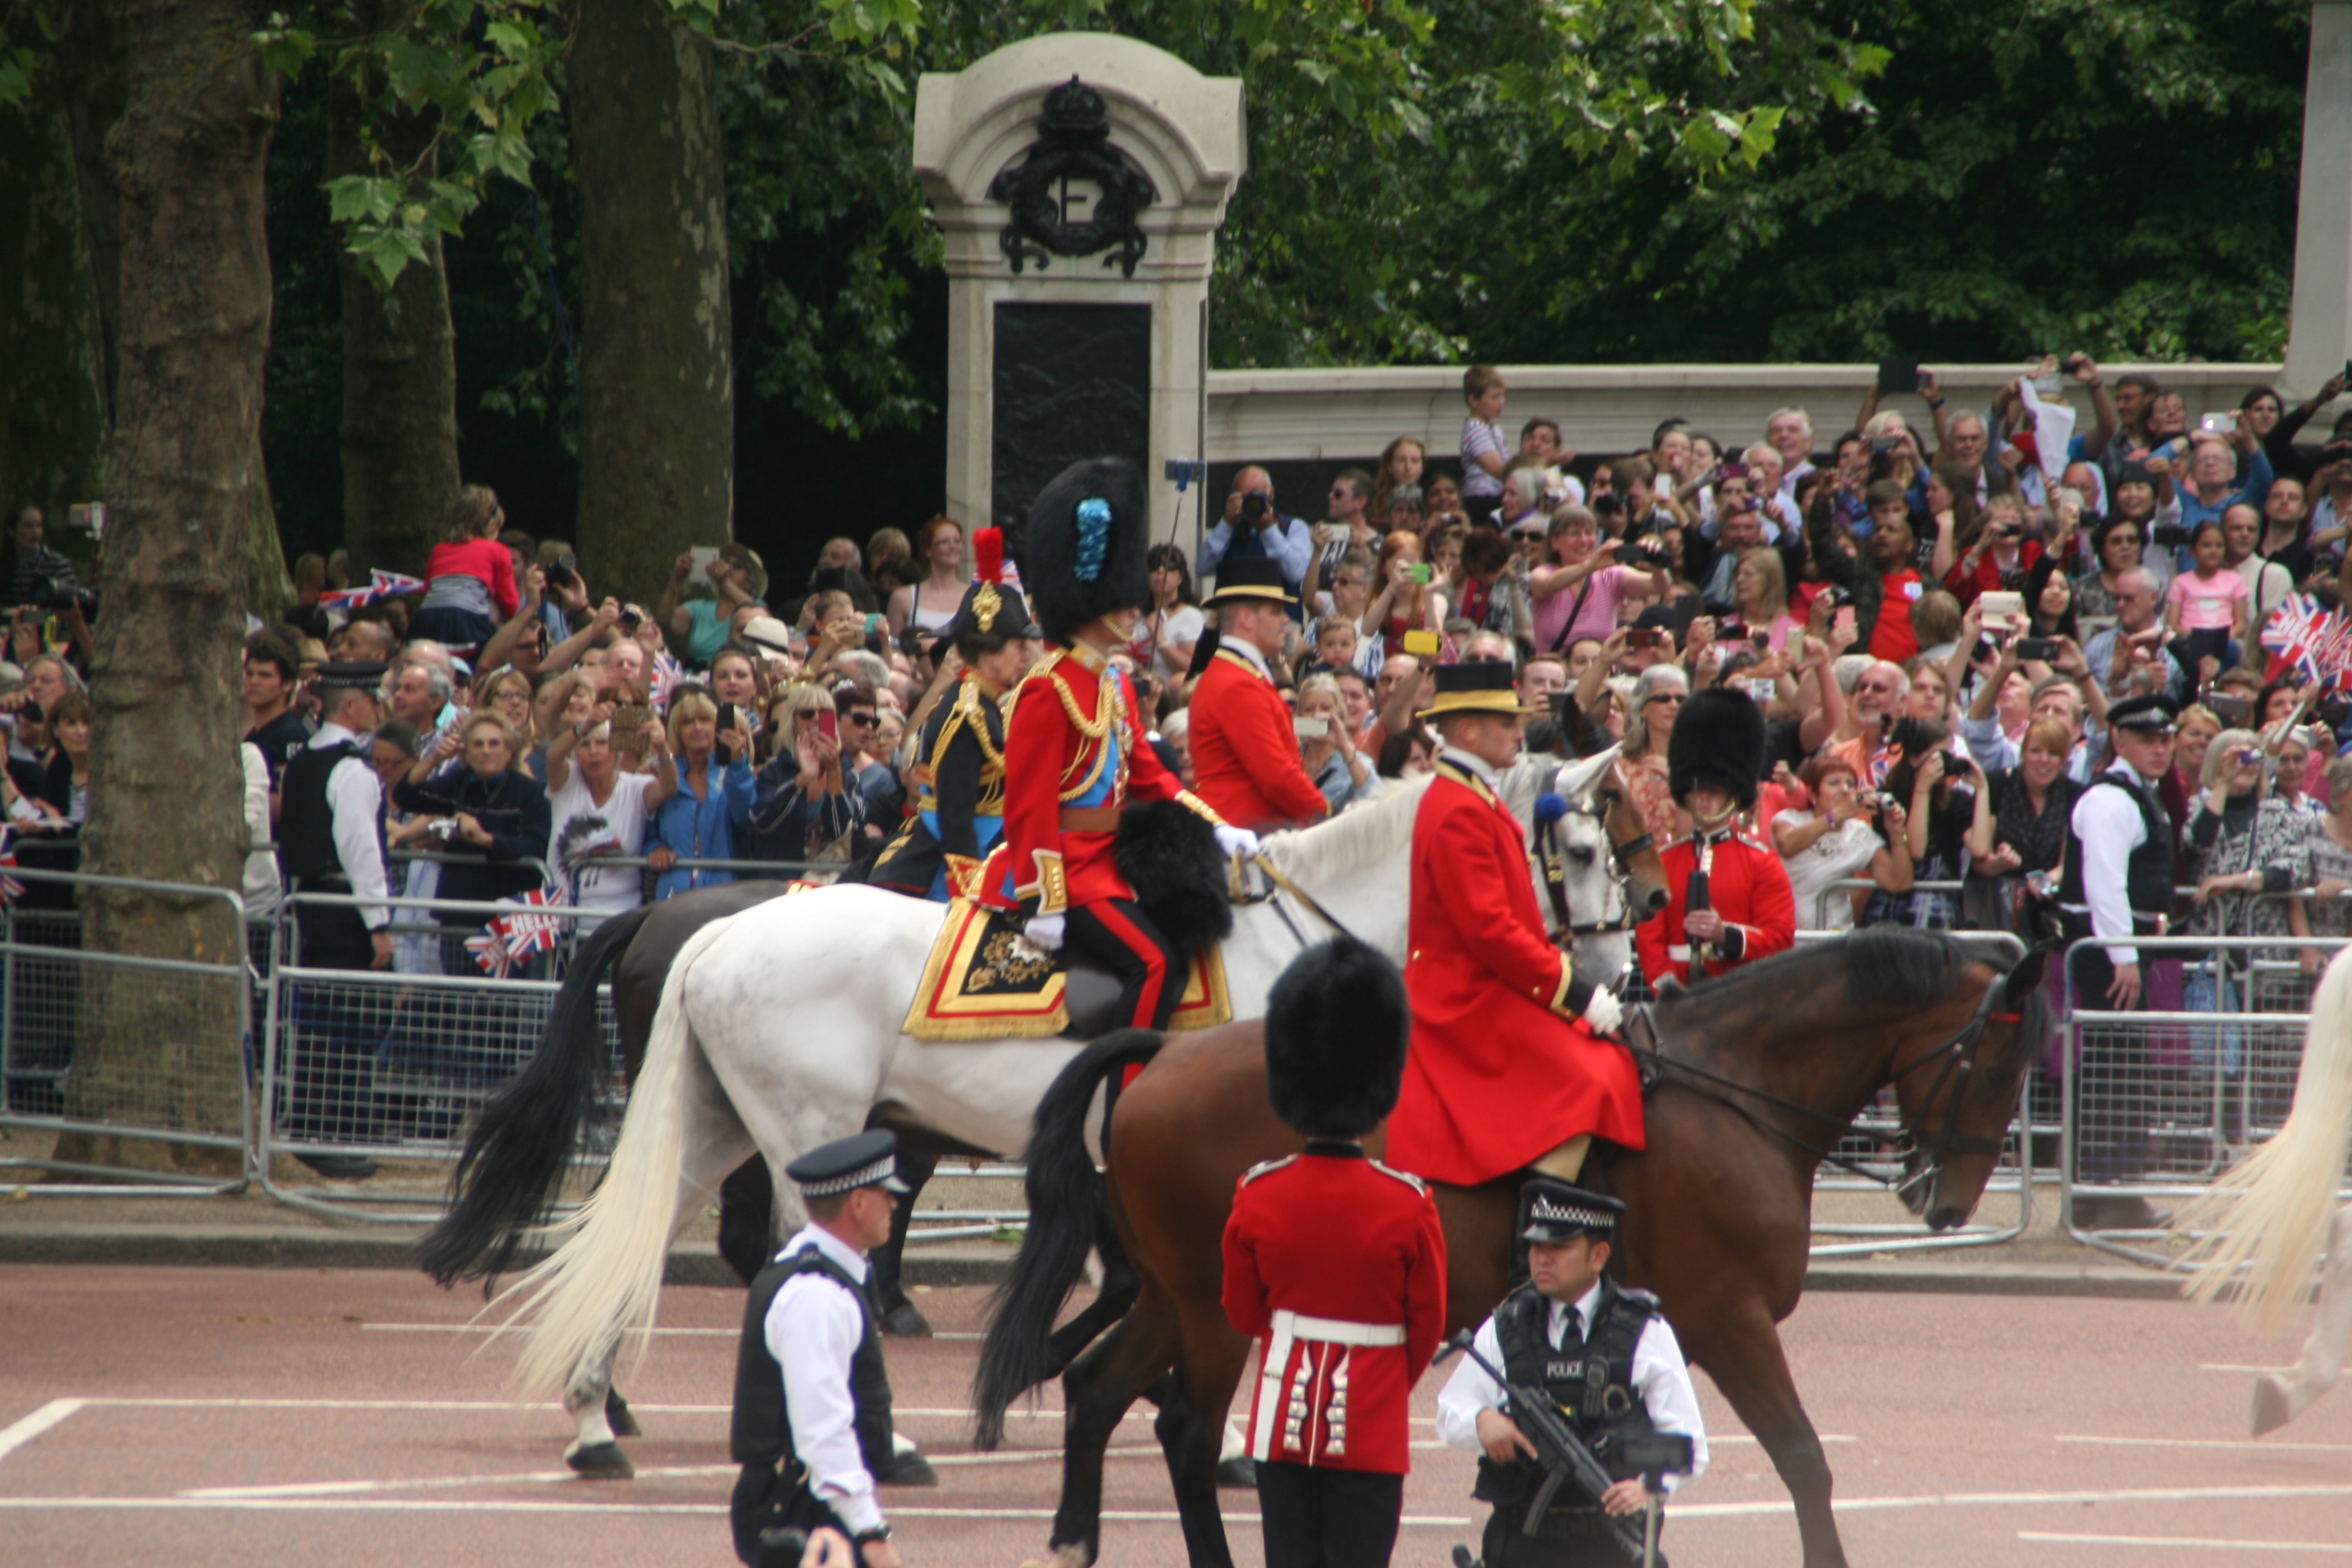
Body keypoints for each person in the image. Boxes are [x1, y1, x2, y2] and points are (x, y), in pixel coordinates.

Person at [979, 458, 1255, 1031]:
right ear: (1089, 602)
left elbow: (1152, 777)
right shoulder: (1047, 687)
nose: (1137, 608)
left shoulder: (1114, 684)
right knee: (1155, 965)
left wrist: (1213, 825)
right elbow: (1028, 805)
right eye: (1126, 599)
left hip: (1114, 862)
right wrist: (1043, 898)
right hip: (1071, 870)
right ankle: (1120, 1102)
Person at [1221, 937, 1447, 1568]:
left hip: (1278, 1422)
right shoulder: (1409, 1202)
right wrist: (1377, 1379)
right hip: (1372, 1428)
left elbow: (1243, 1313)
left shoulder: (1257, 1192)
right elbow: (1426, 1324)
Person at [1385, 662, 1637, 1188]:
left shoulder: (1472, 793)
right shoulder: (1458, 806)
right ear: (1468, 730)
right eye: (1506, 724)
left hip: (1488, 981)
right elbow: (1490, 932)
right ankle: (1543, 1231)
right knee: (1595, 1078)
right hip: (1464, 994)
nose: (1520, 733)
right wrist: (1576, 991)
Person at [1436, 1181, 1708, 1568]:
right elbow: (1450, 1409)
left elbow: (1688, 1442)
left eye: (1559, 1248)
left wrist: (1650, 1485)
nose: (1542, 1259)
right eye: (1535, 1247)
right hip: (1523, 1541)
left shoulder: (1644, 1331)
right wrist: (1481, 1421)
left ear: (1598, 1256)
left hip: (1611, 1544)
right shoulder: (1506, 1326)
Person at [728, 1129, 914, 1568]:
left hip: (804, 1500)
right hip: (805, 1509)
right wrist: (870, 1530)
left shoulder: (810, 1264)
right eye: (886, 1194)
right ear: (858, 1203)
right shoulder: (818, 1295)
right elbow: (822, 1424)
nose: (894, 1204)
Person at [274, 662, 398, 1181]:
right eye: (375, 699)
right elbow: (360, 849)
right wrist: (379, 922)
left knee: (322, 1018)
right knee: (346, 1022)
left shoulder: (302, 763)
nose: (381, 709)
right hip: (344, 908)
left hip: (309, 902)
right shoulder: (351, 769)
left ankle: (325, 1127)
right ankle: (328, 1132)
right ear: (352, 705)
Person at [2058, 694, 2177, 1230]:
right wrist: (2122, 956)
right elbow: (2104, 882)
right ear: (2121, 741)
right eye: (2148, 739)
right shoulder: (2111, 798)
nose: (2160, 747)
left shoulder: (2138, 794)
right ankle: (2104, 1195)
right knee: (2115, 1070)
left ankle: (2109, 1193)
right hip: (2108, 952)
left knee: (2120, 1068)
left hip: (2118, 948)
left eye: (2165, 738)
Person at [870, 540, 1037, 901]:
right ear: (987, 648)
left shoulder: (987, 703)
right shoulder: (967, 712)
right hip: (955, 862)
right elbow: (955, 814)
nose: (1026, 655)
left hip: (992, 843)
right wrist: (971, 892)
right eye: (1017, 645)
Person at [1635, 687, 1796, 986]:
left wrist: (1725, 936)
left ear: (1734, 795)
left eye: (1715, 791)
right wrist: (1667, 990)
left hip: (1739, 991)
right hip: (1677, 994)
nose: (1705, 799)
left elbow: (1779, 938)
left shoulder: (1761, 862)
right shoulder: (1665, 860)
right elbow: (1649, 938)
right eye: (1698, 791)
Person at [393, 710, 553, 972]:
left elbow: (538, 847)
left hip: (518, 913)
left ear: (510, 750)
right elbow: (405, 795)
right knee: (464, 1004)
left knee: (516, 1005)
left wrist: (484, 839)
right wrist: (434, 759)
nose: (486, 751)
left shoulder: (532, 792)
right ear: (466, 753)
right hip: (464, 910)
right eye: (478, 744)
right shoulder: (458, 784)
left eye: (494, 743)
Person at [1188, 561, 1333, 833]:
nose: (1285, 620)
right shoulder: (1237, 683)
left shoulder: (1240, 674)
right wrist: (1326, 812)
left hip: (1251, 829)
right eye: (1276, 611)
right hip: (1245, 836)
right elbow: (1275, 776)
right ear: (1246, 618)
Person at [545, 703, 675, 926]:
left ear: (616, 750)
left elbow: (668, 787)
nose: (593, 751)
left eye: (602, 743)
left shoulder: (635, 788)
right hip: (560, 917)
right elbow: (554, 756)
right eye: (585, 744)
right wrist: (585, 725)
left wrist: (662, 749)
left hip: (617, 919)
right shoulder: (567, 781)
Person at [1772, 754, 1911, 930]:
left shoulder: (1860, 832)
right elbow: (1788, 845)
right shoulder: (1790, 818)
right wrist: (1837, 815)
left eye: (1850, 784)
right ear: (1812, 793)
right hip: (1790, 934)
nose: (1845, 789)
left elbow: (1897, 883)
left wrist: (1897, 833)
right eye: (1834, 783)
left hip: (1835, 936)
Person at [648, 691, 758, 898]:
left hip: (725, 892)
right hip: (673, 893)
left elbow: (746, 816)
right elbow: (646, 831)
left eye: (705, 720)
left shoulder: (736, 771)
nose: (697, 727)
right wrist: (655, 848)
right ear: (677, 731)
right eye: (688, 722)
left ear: (717, 726)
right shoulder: (663, 775)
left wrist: (736, 765)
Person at [410, 485, 520, 652]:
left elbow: (428, 588)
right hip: (466, 623)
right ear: (491, 524)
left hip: (426, 620)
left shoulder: (439, 549)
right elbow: (511, 603)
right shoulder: (497, 550)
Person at [1198, 466, 1314, 594]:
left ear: (1272, 494)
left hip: (1277, 611)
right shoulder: (1228, 529)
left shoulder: (1293, 527)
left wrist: (1269, 530)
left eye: (1258, 496)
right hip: (1235, 610)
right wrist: (1226, 523)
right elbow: (1202, 567)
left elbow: (1296, 574)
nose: (1252, 502)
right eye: (1245, 497)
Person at [887, 516, 967, 641]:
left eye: (957, 541)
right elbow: (894, 650)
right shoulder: (903, 597)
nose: (953, 546)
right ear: (928, 550)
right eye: (945, 542)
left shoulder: (975, 595)